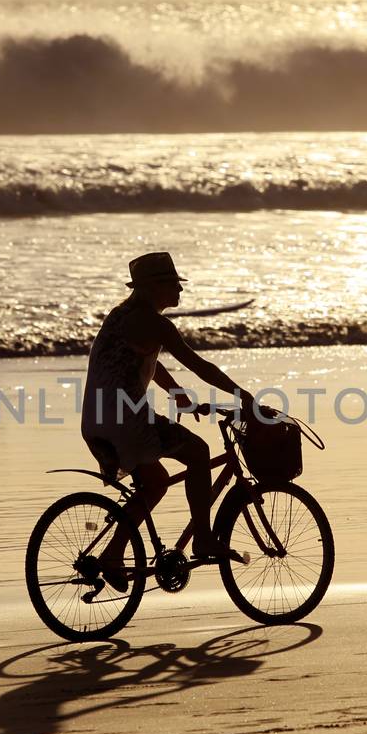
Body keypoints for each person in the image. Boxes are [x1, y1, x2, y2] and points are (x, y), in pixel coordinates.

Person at [81, 252, 253, 591]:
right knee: (199, 452)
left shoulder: (121, 316)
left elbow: (149, 361)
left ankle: (113, 555)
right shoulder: (154, 323)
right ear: (153, 288)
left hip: (97, 418)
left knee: (156, 481)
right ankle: (203, 539)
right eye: (174, 284)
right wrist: (243, 395)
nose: (179, 291)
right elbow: (197, 363)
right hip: (125, 418)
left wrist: (177, 394)